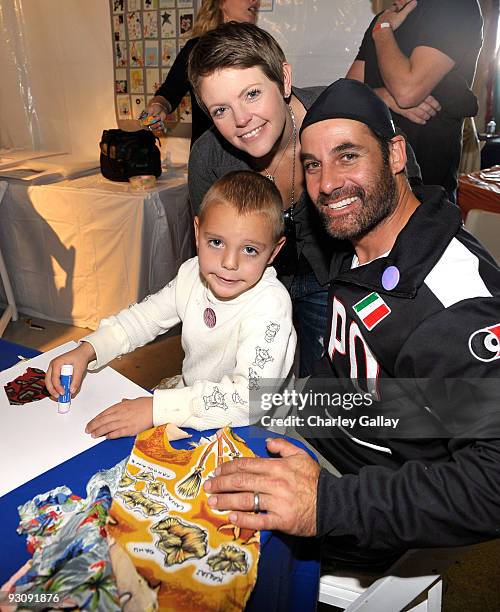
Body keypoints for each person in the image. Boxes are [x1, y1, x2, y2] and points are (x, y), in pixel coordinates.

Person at [202, 79, 500, 568]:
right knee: (171, 442)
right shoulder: (362, 232)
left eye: (347, 156)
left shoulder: (453, 301)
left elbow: (491, 483)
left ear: (396, 153)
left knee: (200, 547)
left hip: (368, 498)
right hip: (320, 421)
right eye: (313, 165)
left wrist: (326, 505)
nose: (327, 185)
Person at [45, 171, 296, 438]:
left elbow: (250, 400)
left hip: (256, 429)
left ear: (274, 251)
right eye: (216, 242)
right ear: (198, 232)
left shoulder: (271, 304)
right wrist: (87, 350)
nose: (229, 262)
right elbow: (143, 319)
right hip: (193, 405)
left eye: (249, 250)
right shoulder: (191, 274)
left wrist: (156, 409)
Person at [188, 22, 336, 377]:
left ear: (284, 78)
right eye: (220, 110)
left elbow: (403, 196)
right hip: (255, 286)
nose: (241, 120)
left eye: (252, 94)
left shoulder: (338, 118)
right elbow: (210, 247)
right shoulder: (209, 158)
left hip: (335, 278)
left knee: (327, 394)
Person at [347, 0, 483, 203]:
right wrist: (382, 96)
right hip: (375, 185)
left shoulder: (456, 6)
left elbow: (406, 92)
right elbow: (348, 91)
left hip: (427, 193)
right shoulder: (384, 18)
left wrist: (383, 32)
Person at [146, 0, 259, 146]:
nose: (255, 1)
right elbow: (169, 92)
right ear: (221, 3)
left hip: (252, 154)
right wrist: (158, 106)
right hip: (209, 156)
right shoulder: (197, 49)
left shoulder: (259, 46)